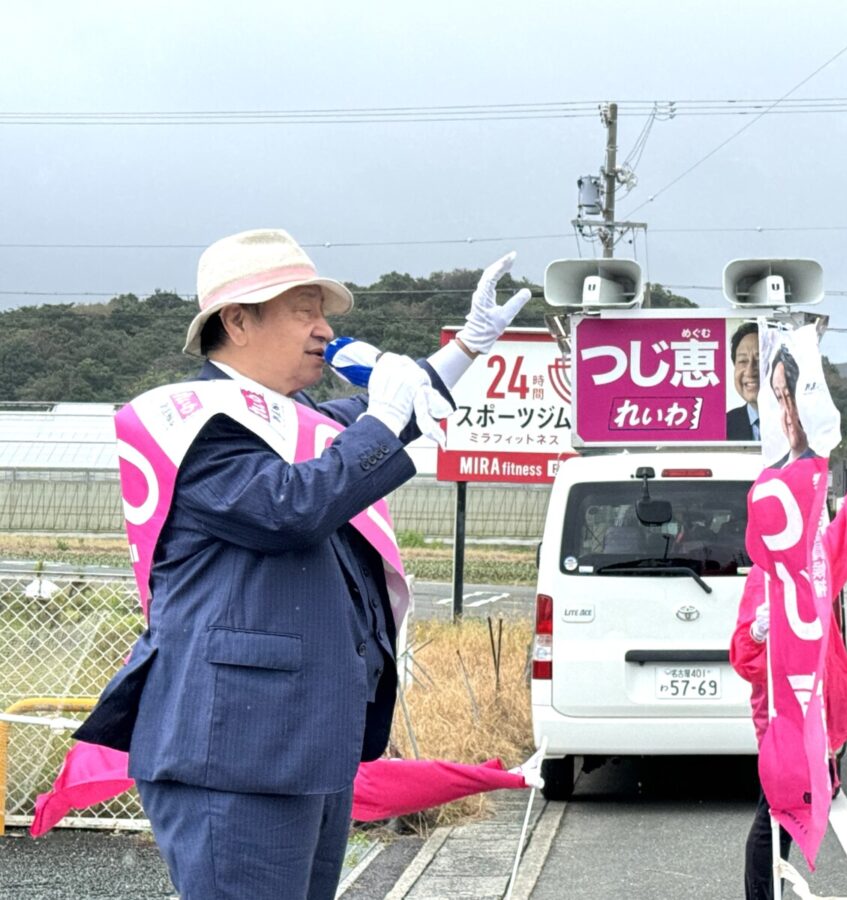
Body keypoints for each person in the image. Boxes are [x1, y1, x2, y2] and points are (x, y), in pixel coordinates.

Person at [74, 228, 530, 899]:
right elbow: (290, 508)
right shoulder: (198, 424)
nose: (323, 329)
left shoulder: (294, 418)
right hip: (235, 751)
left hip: (300, 745)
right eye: (303, 311)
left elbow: (387, 419)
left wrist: (467, 346)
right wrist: (381, 417)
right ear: (237, 320)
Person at [730, 443, 847, 900]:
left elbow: (842, 540)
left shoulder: (813, 564)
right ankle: (761, 894)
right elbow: (742, 657)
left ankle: (767, 889)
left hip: (815, 706)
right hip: (783, 715)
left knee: (788, 807)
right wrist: (756, 631)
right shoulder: (766, 575)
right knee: (775, 810)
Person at [768, 344, 811, 468]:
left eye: (789, 396)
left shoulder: (821, 460)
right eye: (780, 398)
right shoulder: (774, 470)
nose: (787, 411)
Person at [726, 321, 760, 441]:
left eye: (760, 360)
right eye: (742, 361)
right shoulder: (723, 427)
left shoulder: (806, 425)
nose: (750, 371)